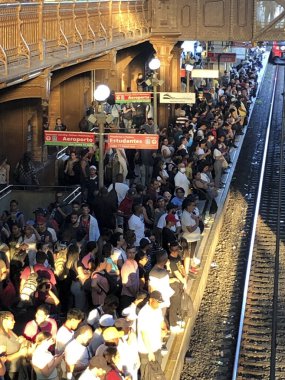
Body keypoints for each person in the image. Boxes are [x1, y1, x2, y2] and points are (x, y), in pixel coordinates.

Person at [137, 291, 166, 379]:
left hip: (156, 346)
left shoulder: (157, 310)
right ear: (150, 300)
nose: (158, 304)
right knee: (146, 374)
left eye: (160, 302)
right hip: (146, 351)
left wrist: (164, 329)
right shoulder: (144, 313)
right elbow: (144, 334)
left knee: (157, 372)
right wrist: (150, 352)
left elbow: (161, 322)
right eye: (157, 302)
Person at [0, 311, 29, 380]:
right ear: (4, 321)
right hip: (10, 371)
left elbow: (15, 342)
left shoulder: (9, 330)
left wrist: (21, 339)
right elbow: (3, 359)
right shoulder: (1, 337)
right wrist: (20, 353)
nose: (14, 321)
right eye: (12, 320)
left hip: (18, 366)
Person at [120, 245, 140, 311]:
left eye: (133, 253)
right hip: (127, 297)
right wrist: (135, 295)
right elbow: (127, 284)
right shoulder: (125, 266)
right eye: (130, 253)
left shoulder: (135, 262)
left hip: (134, 295)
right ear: (126, 253)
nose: (132, 255)